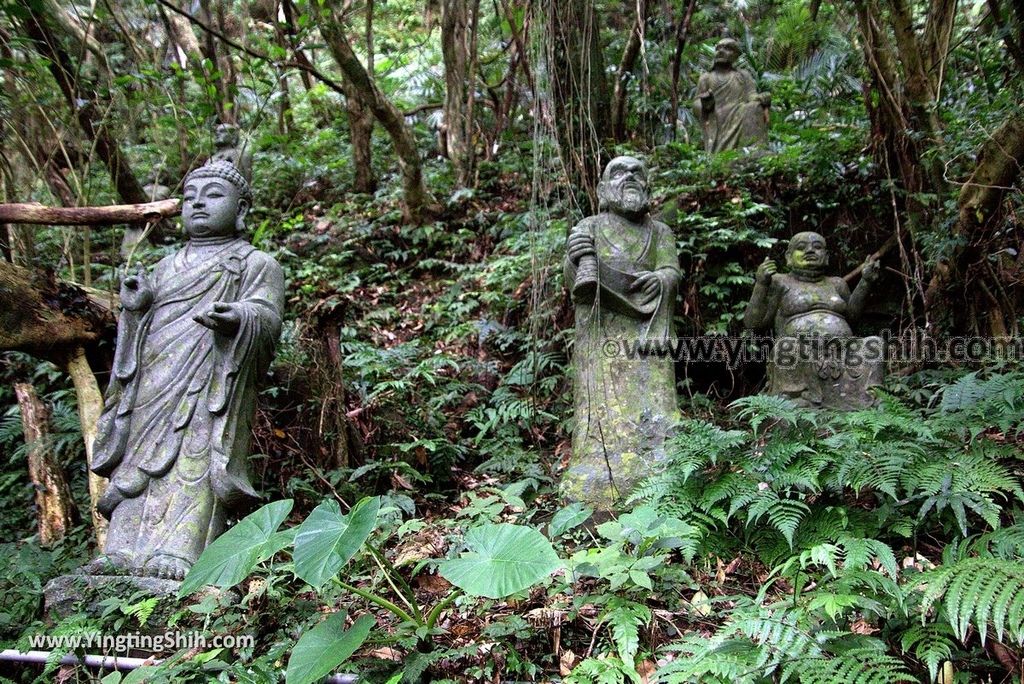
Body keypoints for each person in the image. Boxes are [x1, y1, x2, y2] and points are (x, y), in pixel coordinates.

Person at [86, 160, 284, 580]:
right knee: (138, 459)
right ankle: (120, 549)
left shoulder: (256, 264)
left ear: (242, 208)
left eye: (213, 195)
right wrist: (136, 310)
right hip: (152, 385)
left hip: (210, 380)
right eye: (191, 198)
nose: (198, 205)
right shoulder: (162, 268)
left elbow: (267, 318)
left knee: (195, 455)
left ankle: (182, 551)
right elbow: (138, 333)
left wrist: (239, 317)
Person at [563, 156, 681, 507]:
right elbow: (573, 283)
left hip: (648, 327)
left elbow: (672, 272)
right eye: (618, 172)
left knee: (654, 395)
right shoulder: (590, 226)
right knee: (602, 397)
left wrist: (660, 280)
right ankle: (597, 462)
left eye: (636, 173)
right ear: (601, 189)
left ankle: (660, 462)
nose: (628, 177)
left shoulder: (660, 232)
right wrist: (575, 260)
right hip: (601, 329)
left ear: (647, 188)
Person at [744, 232, 883, 408]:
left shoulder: (837, 284)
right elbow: (753, 323)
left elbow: (852, 317)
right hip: (800, 352)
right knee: (786, 347)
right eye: (801, 248)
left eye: (817, 247)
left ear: (826, 256)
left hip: (841, 352)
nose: (810, 251)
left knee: (873, 344)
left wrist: (865, 282)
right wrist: (761, 284)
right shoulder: (780, 282)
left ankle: (871, 395)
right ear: (788, 257)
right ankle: (796, 396)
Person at [694, 38, 770, 152]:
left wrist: (762, 98)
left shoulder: (743, 76)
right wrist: (705, 104)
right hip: (716, 117)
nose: (721, 51)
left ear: (735, 55)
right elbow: (696, 103)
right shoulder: (706, 78)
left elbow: (752, 96)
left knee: (754, 107)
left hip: (739, 114)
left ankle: (753, 149)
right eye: (718, 48)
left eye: (727, 48)